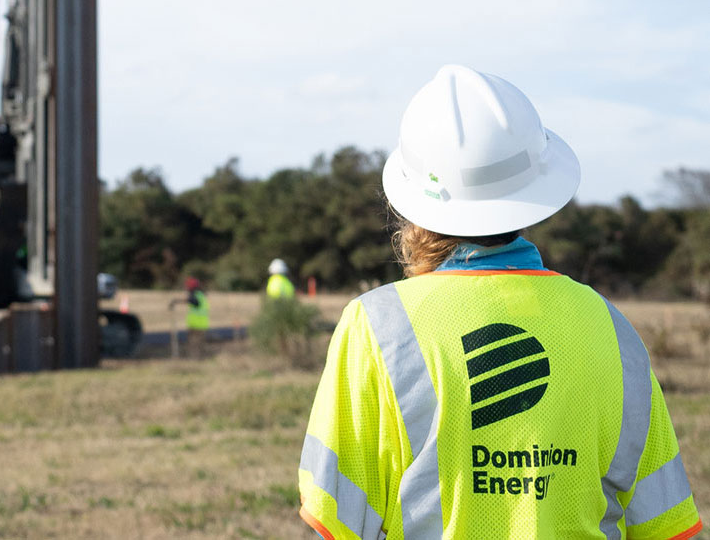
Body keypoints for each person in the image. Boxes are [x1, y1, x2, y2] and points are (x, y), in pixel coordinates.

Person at [298, 64, 701, 540]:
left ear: (413, 204)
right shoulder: (609, 326)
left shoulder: (376, 326)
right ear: (535, 188)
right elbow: (668, 527)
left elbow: (329, 523)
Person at [170, 276, 209, 358]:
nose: (186, 288)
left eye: (188, 286)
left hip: (197, 325)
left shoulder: (196, 295)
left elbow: (194, 302)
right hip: (200, 324)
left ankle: (195, 361)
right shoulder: (201, 294)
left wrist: (177, 301)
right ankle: (198, 360)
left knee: (194, 345)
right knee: (198, 345)